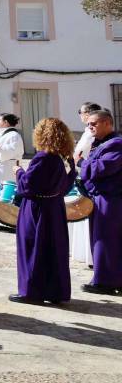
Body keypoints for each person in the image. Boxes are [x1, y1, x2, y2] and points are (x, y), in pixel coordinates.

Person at [12, 117, 75, 304]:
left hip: (37, 208)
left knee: (33, 247)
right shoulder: (63, 158)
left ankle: (31, 292)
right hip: (55, 207)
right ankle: (55, 291)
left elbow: (27, 186)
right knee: (53, 249)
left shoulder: (43, 157)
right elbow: (67, 184)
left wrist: (18, 171)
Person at [80, 108, 122, 295]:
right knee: (103, 238)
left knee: (106, 239)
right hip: (102, 197)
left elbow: (101, 168)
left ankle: (105, 282)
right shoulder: (101, 143)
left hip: (110, 199)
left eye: (93, 124)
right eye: (88, 124)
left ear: (107, 123)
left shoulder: (116, 144)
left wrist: (82, 163)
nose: (90, 127)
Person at [71, 102, 100, 265]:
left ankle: (89, 255)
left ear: (88, 113)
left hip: (87, 173)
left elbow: (79, 153)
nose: (80, 115)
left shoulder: (90, 133)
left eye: (80, 112)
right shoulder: (88, 132)